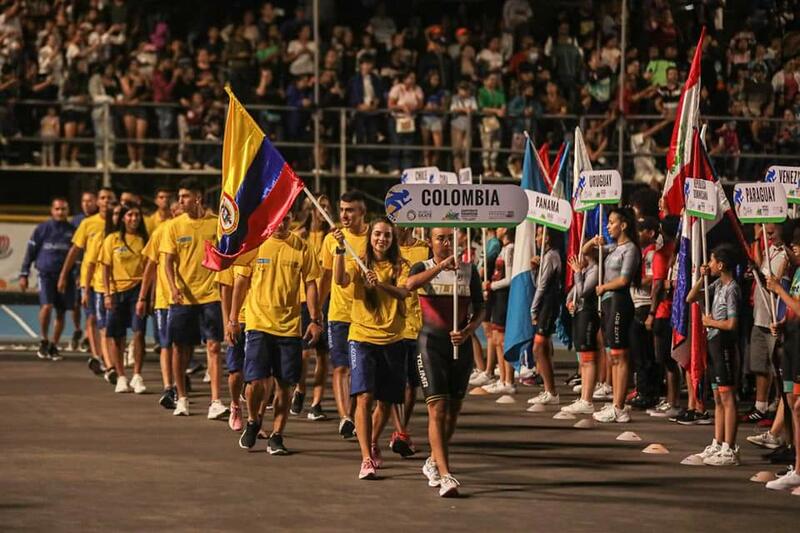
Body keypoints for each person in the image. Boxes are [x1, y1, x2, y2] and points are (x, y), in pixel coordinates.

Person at [232, 214, 322, 455]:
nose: (281, 224)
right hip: (258, 324)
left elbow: (311, 283)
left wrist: (314, 319)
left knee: (285, 384)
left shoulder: (302, 247)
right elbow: (241, 282)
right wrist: (232, 320)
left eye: (286, 219)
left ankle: (277, 435)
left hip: (289, 327)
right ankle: (252, 420)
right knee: (255, 382)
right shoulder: (254, 243)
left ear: (292, 219)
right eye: (277, 220)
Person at [405, 227, 484, 497]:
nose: (447, 242)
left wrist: (468, 331)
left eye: (451, 237)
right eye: (440, 238)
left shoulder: (469, 270)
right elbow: (409, 285)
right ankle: (447, 474)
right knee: (437, 409)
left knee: (452, 412)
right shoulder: (423, 266)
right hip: (430, 346)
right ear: (430, 242)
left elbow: (481, 307)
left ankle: (433, 462)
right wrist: (440, 267)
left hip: (459, 346)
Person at [333, 217, 410, 480]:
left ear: (393, 239)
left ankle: (374, 441)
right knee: (364, 397)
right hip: (362, 338)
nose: (381, 239)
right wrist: (340, 251)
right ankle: (366, 458)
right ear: (370, 236)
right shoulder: (358, 262)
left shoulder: (401, 265)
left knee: (386, 402)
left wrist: (380, 284)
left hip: (392, 339)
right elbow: (340, 279)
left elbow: (403, 293)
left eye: (387, 235)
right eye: (377, 234)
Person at [161, 178, 227, 419]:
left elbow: (225, 256)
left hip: (210, 295)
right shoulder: (174, 226)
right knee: (180, 348)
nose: (180, 201)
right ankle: (183, 398)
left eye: (185, 196)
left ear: (198, 198)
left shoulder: (216, 224)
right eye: (179, 197)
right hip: (182, 298)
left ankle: (216, 401)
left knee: (214, 346)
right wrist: (173, 287)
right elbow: (167, 262)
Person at [685, 244, 742, 466]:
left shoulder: (732, 289)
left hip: (724, 342)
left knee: (728, 398)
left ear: (721, 264)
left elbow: (732, 323)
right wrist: (702, 278)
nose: (708, 264)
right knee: (718, 397)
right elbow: (690, 297)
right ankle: (718, 442)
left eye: (711, 261)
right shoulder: (717, 285)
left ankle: (730, 447)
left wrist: (711, 322)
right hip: (713, 343)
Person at [319, 190, 369, 439]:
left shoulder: (375, 237)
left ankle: (358, 414)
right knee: (341, 367)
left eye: (350, 210)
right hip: (338, 313)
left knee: (361, 370)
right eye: (342, 210)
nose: (345, 215)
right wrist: (316, 311)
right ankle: (345, 417)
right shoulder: (332, 240)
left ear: (362, 212)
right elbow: (328, 278)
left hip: (367, 314)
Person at [583, 207, 641, 423]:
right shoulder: (612, 248)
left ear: (623, 225)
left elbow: (624, 280)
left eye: (611, 222)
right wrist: (593, 242)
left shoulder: (630, 249)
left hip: (619, 301)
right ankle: (616, 402)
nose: (608, 226)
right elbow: (585, 253)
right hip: (608, 303)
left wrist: (604, 287)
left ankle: (619, 405)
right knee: (612, 355)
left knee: (620, 355)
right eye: (607, 223)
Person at [58, 187, 116, 370]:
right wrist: (64, 275)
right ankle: (97, 356)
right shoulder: (88, 223)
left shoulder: (118, 223)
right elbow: (75, 251)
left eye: (109, 198)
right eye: (103, 198)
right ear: (98, 202)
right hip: (90, 280)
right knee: (92, 318)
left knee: (110, 321)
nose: (106, 201)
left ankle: (111, 356)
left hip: (113, 280)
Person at [138, 199, 182, 409]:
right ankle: (168, 387)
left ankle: (179, 378)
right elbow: (149, 267)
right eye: (175, 209)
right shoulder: (161, 232)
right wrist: (143, 297)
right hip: (166, 300)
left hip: (192, 299)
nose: (177, 211)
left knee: (182, 346)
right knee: (166, 344)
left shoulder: (199, 229)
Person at [100, 203, 148, 394]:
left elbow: (148, 269)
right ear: (122, 219)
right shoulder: (112, 239)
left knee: (139, 332)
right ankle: (121, 376)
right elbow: (105, 268)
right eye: (129, 215)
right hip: (117, 291)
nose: (134, 219)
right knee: (116, 336)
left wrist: (145, 296)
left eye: (137, 215)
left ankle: (137, 375)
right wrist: (107, 293)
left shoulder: (144, 239)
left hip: (137, 289)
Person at [292, 194, 332, 421]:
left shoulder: (331, 237)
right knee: (304, 353)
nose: (322, 210)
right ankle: (300, 389)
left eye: (326, 207)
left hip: (326, 298)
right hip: (303, 298)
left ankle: (316, 403)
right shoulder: (300, 234)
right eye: (318, 206)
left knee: (323, 354)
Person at [19, 198, 75, 360]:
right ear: (52, 210)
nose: (60, 212)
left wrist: (77, 274)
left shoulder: (73, 230)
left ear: (67, 211)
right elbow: (30, 252)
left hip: (66, 276)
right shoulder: (42, 229)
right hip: (46, 275)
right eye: (57, 209)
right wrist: (24, 274)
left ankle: (53, 345)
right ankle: (44, 339)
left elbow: (78, 254)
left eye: (63, 209)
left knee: (61, 312)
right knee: (47, 306)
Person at [744, 223, 789, 423]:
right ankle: (760, 405)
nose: (768, 236)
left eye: (771, 232)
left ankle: (779, 404)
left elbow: (773, 280)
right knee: (759, 362)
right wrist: (756, 239)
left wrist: (759, 273)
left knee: (777, 366)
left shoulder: (787, 255)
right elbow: (759, 265)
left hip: (775, 318)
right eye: (766, 232)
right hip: (760, 315)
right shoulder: (769, 248)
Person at [764, 239, 800, 489]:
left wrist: (779, 289)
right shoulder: (797, 271)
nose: (794, 249)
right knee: (791, 404)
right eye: (793, 245)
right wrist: (783, 324)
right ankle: (796, 463)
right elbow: (793, 309)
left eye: (799, 244)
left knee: (797, 406)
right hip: (792, 341)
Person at [391, 226, 430, 456]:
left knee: (411, 386)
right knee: (396, 384)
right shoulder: (387, 250)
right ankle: (399, 432)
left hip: (418, 326)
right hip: (393, 326)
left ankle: (401, 430)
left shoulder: (423, 250)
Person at [647, 216, 681, 419]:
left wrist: (651, 312)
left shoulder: (662, 255)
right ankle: (671, 400)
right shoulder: (677, 254)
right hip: (673, 311)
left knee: (667, 360)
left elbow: (658, 285)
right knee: (668, 359)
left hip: (664, 311)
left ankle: (673, 402)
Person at [561, 247, 601, 414]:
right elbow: (573, 293)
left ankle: (587, 400)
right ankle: (584, 398)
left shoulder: (596, 270)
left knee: (588, 356)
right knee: (582, 359)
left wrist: (577, 272)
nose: (577, 258)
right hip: (579, 313)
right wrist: (570, 302)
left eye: (581, 254)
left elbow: (583, 291)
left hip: (589, 313)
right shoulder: (585, 270)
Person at [528, 226, 563, 407]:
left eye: (540, 234)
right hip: (545, 303)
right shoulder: (546, 257)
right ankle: (549, 390)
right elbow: (538, 281)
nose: (537, 238)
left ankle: (551, 391)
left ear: (548, 237)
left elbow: (542, 287)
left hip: (548, 303)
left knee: (539, 347)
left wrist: (533, 309)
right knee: (541, 347)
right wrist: (535, 269)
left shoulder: (551, 256)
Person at [628, 216, 660, 410]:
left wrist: (631, 280)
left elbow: (653, 279)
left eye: (641, 230)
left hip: (645, 305)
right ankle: (642, 389)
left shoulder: (652, 254)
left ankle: (647, 393)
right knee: (638, 352)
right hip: (636, 304)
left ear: (651, 233)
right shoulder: (641, 252)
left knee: (644, 354)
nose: (637, 234)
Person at [482, 226, 515, 395]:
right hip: (497, 296)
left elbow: (509, 279)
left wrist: (491, 285)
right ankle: (502, 378)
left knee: (502, 339)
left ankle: (508, 380)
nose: (498, 229)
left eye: (502, 226)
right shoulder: (503, 249)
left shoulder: (510, 249)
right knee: (495, 339)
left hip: (504, 296)